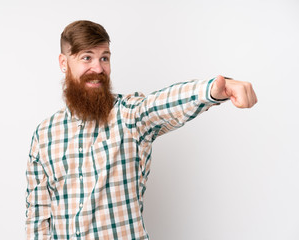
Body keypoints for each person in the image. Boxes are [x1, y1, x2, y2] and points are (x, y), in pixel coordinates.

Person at [25, 20, 257, 240]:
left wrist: (216, 90)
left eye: (104, 58)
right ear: (64, 63)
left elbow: (163, 103)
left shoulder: (129, 115)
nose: (98, 68)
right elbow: (38, 217)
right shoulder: (44, 134)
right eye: (87, 58)